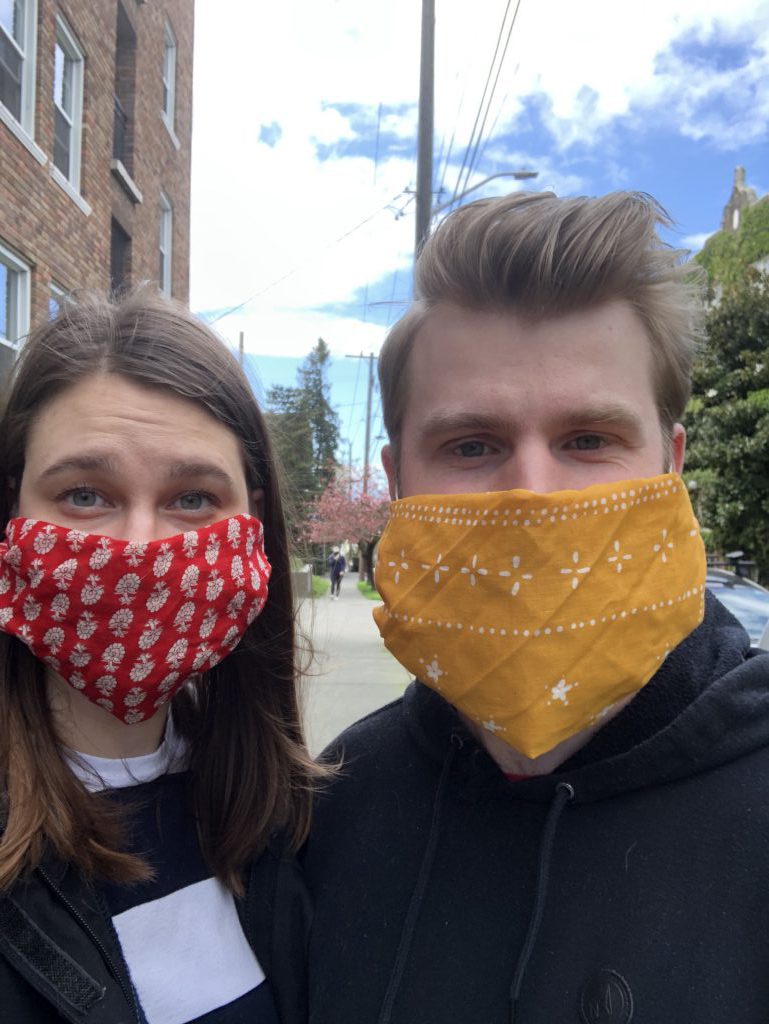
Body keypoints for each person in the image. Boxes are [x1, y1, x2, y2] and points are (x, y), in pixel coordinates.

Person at [303, 192, 769, 1023]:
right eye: (471, 445)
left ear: (669, 461)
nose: (531, 493)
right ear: (398, 478)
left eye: (587, 440)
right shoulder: (337, 802)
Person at [0, 290, 318, 1024]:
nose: (141, 547)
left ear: (254, 526)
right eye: (85, 493)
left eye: (193, 499)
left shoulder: (286, 812)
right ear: (14, 510)